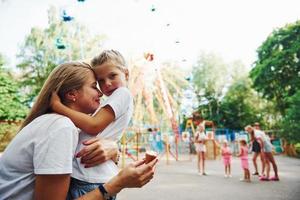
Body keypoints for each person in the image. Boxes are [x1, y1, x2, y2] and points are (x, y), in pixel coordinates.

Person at [0, 62, 157, 200]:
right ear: (72, 94)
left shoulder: (57, 123)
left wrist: (115, 150)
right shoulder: (60, 126)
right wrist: (117, 183)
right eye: (94, 86)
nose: (101, 92)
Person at [50, 50, 134, 198]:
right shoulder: (112, 100)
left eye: (112, 76)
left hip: (91, 179)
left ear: (126, 74)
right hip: (88, 176)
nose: (106, 84)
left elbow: (93, 125)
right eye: (100, 81)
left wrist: (58, 107)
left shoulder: (123, 93)